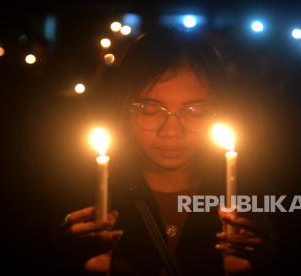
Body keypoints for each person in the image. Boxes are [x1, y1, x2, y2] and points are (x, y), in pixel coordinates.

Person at [61, 29, 275, 275]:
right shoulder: (85, 196)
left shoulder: (249, 201)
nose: (171, 131)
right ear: (125, 107)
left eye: (194, 110)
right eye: (150, 109)